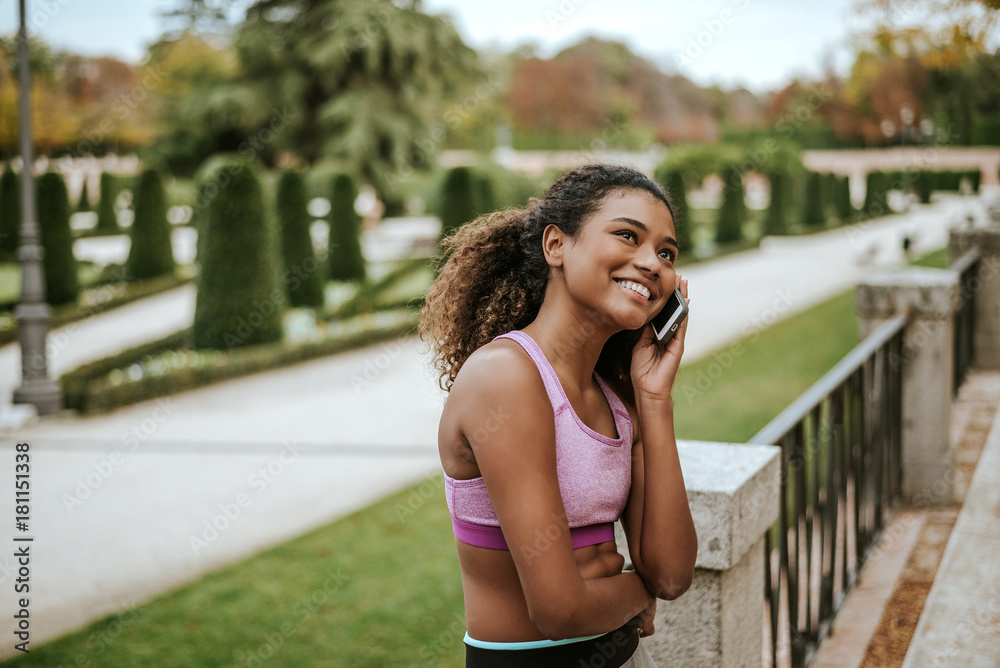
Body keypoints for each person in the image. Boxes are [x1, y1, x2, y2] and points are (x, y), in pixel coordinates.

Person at [418, 163, 698, 667]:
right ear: (556, 246)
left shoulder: (617, 396)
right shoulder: (505, 377)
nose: (652, 263)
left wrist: (655, 398)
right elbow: (560, 611)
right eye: (627, 236)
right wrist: (638, 594)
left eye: (666, 252)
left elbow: (673, 574)